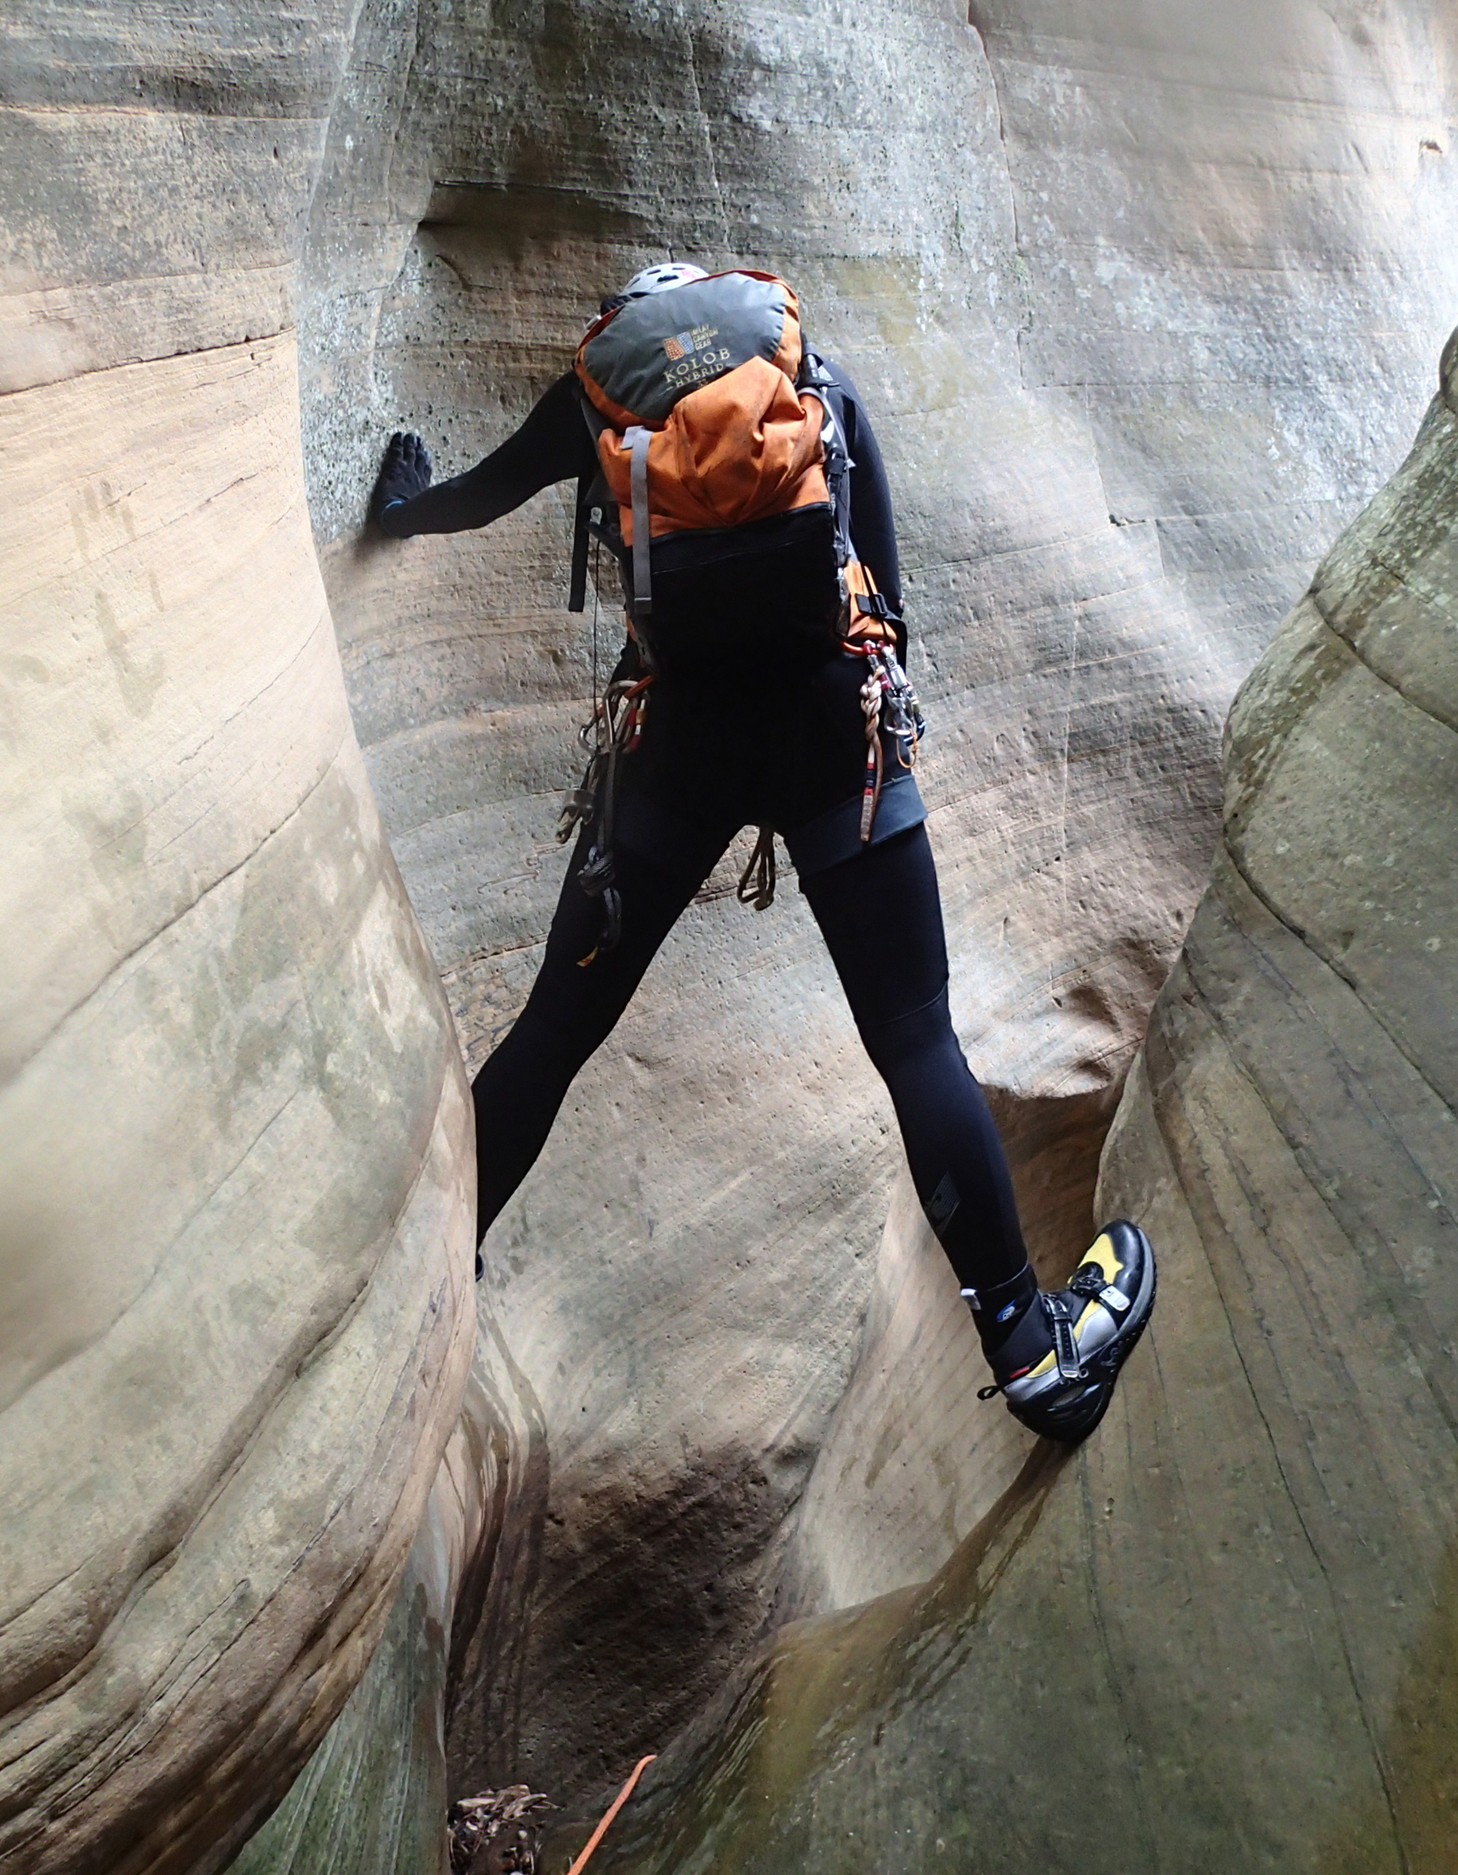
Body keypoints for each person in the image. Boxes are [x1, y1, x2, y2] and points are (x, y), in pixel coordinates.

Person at [369, 260, 1153, 1442]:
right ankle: (1031, 1353)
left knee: (555, 1028)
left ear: (626, 329)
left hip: (677, 743)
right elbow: (879, 576)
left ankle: (417, 1299)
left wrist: (398, 508)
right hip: (836, 731)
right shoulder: (810, 375)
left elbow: (476, 500)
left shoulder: (600, 402)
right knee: (914, 1040)